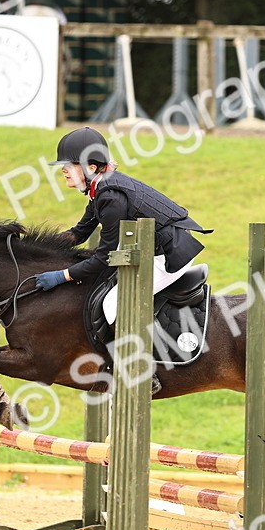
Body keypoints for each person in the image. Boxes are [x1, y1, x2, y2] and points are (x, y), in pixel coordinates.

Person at [37, 128, 211, 396]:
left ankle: (143, 372)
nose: (63, 171)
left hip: (167, 258)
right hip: (150, 250)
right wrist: (37, 247)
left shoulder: (110, 196)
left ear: (90, 167)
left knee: (112, 304)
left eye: (69, 165)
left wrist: (64, 276)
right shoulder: (100, 188)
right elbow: (78, 233)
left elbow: (103, 258)